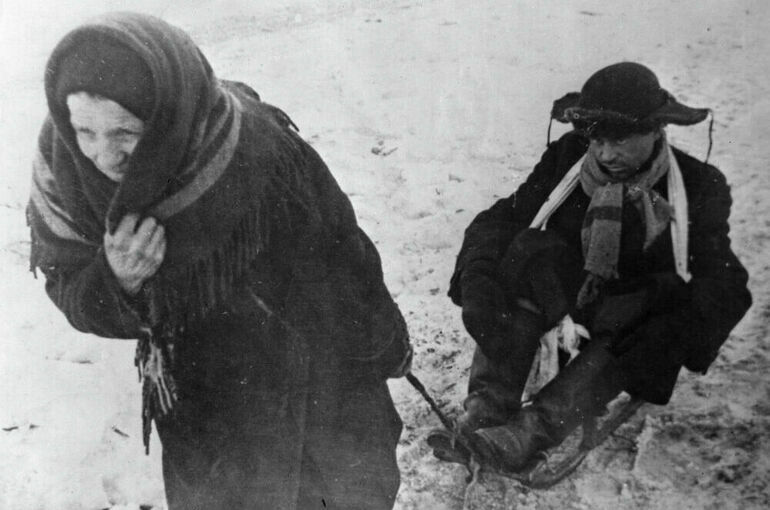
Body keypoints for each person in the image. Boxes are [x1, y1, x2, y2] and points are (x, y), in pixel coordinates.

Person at [27, 12, 412, 510]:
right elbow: (71, 289)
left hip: (313, 362)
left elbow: (341, 248)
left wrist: (382, 342)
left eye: (125, 130)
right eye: (85, 130)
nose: (104, 155)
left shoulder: (255, 147)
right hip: (203, 397)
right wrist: (118, 281)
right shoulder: (63, 177)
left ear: (164, 113)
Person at [432, 62, 751, 472]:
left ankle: (529, 434)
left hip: (628, 316)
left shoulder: (698, 184)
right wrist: (478, 273)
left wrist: (677, 329)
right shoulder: (568, 157)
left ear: (656, 129)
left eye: (620, 140)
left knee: (651, 318)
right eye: (597, 140)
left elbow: (724, 279)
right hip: (563, 290)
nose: (605, 154)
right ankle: (485, 412)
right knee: (523, 253)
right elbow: (507, 217)